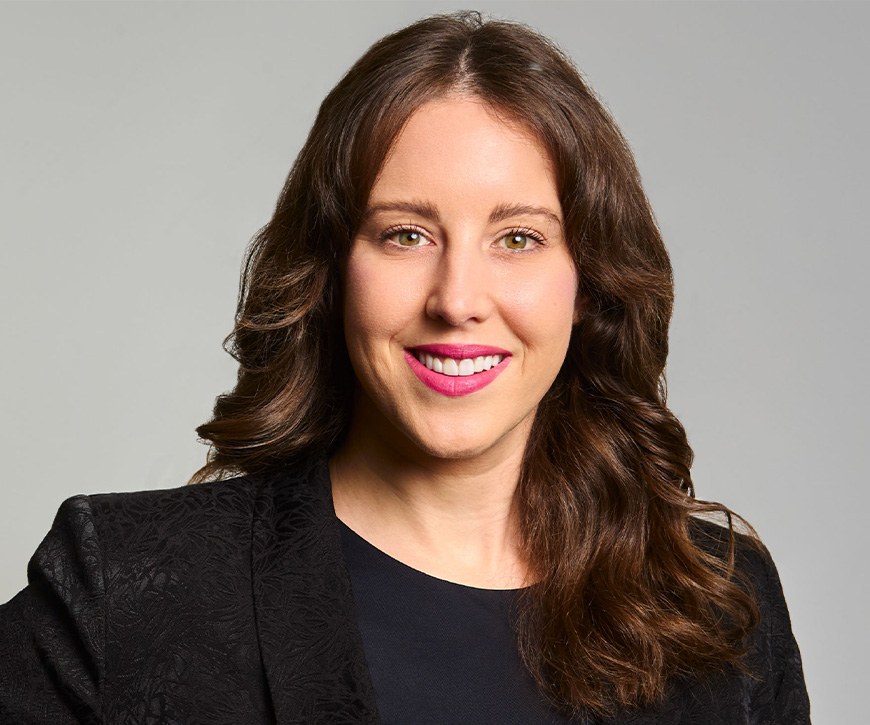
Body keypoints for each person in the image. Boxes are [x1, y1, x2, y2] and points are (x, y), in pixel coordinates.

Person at [0, 11, 809, 724]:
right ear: (332, 270)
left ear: (588, 284)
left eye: (518, 238)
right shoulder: (121, 590)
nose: (457, 299)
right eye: (406, 234)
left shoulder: (724, 605)